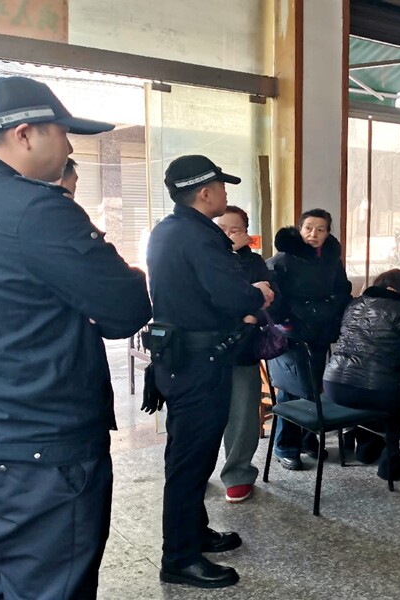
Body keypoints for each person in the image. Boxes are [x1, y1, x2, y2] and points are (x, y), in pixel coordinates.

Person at [0, 76, 153, 599]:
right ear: (24, 133)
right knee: (52, 585)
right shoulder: (36, 209)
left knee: (3, 574)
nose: (70, 147)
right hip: (44, 446)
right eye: (63, 133)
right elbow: (125, 310)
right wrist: (131, 274)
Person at [148, 155, 274, 589]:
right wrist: (256, 292)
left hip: (181, 358)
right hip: (200, 362)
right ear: (205, 192)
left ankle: (194, 532)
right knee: (190, 461)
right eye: (221, 187)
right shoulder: (199, 236)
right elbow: (230, 295)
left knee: (190, 454)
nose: (224, 193)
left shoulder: (170, 229)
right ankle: (179, 557)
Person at [323, 269, 400, 479]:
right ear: (392, 290)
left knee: (372, 401)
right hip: (370, 390)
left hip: (333, 385)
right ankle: (392, 465)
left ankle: (366, 450)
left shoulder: (354, 304)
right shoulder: (399, 308)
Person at [266, 208, 352, 470]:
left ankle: (308, 439)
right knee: (291, 388)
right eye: (308, 228)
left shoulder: (331, 260)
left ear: (328, 233)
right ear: (299, 229)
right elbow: (271, 296)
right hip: (290, 333)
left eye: (320, 229)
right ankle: (285, 445)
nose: (313, 234)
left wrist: (332, 311)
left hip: (320, 331)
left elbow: (343, 289)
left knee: (313, 387)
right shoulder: (282, 259)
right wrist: (288, 318)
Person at [216, 205, 277, 504]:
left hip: (243, 345)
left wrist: (252, 316)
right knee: (202, 414)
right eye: (222, 229)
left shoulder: (254, 262)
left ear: (246, 233)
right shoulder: (205, 257)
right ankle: (195, 472)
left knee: (243, 412)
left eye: (235, 230)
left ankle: (238, 474)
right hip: (205, 345)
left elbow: (268, 297)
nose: (229, 235)